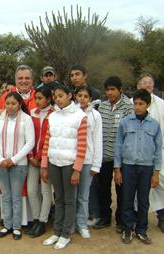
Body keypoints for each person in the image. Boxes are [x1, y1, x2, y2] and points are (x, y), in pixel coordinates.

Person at [41, 84, 87, 250]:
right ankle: (57, 231)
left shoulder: (80, 116)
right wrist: (44, 166)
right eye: (55, 96)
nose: (57, 99)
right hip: (54, 162)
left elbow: (82, 145)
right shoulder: (52, 116)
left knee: (69, 200)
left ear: (70, 96)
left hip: (69, 164)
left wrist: (77, 170)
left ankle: (66, 233)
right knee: (58, 199)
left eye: (60, 96)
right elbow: (47, 142)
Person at [114, 89, 162, 244]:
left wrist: (156, 173)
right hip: (128, 167)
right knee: (127, 199)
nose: (138, 107)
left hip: (146, 167)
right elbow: (119, 146)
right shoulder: (125, 122)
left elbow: (158, 150)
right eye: (135, 103)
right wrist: (117, 169)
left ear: (147, 105)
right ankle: (127, 228)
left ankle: (141, 230)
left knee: (143, 200)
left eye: (141, 104)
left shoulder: (154, 125)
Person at [0, 92, 34, 240]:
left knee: (16, 196)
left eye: (13, 103)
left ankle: (16, 227)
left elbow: (30, 143)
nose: (10, 106)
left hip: (19, 165)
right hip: (1, 163)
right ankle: (6, 225)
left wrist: (13, 159)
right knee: (5, 196)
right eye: (7, 103)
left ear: (19, 104)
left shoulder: (26, 119)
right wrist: (0, 158)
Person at [93, 76, 133, 231]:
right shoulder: (101, 107)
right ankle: (105, 217)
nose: (109, 93)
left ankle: (121, 221)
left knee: (121, 190)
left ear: (120, 90)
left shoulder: (128, 107)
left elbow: (129, 133)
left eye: (113, 89)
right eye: (107, 90)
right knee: (103, 190)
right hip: (103, 157)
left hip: (121, 159)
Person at [136, 73, 164, 233]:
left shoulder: (160, 104)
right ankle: (137, 219)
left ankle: (162, 216)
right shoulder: (135, 105)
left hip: (158, 151)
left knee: (160, 183)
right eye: (144, 83)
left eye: (150, 83)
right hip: (138, 154)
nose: (147, 85)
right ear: (138, 86)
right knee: (138, 187)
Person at [74, 86, 103, 239]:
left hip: (87, 160)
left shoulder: (96, 115)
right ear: (75, 96)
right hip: (72, 160)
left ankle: (82, 224)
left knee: (83, 196)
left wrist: (96, 164)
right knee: (72, 195)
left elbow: (98, 140)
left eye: (86, 96)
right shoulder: (72, 113)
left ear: (90, 98)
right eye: (80, 95)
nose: (83, 98)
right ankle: (71, 223)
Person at [25, 86, 53, 238]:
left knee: (46, 191)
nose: (37, 101)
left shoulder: (54, 115)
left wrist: (42, 158)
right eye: (36, 98)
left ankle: (43, 222)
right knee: (31, 190)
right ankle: (36, 219)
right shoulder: (32, 113)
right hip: (32, 159)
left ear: (49, 99)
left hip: (46, 160)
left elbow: (52, 140)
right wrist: (30, 157)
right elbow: (27, 136)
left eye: (40, 98)